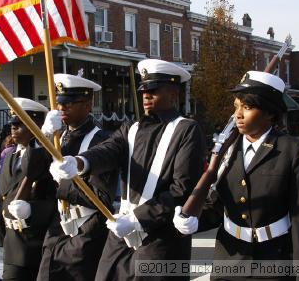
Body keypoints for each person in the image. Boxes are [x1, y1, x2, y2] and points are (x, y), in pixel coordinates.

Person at [49, 59, 206, 280]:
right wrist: (80, 162)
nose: (146, 97)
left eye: (153, 91)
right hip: (122, 233)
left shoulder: (187, 130)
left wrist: (137, 218)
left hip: (161, 238)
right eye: (144, 91)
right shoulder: (132, 128)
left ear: (173, 94)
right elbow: (108, 150)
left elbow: (182, 189)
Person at [174, 71, 299, 281]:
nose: (238, 115)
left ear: (270, 113)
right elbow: (220, 205)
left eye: (247, 107)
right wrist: (194, 220)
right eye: (236, 106)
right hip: (229, 259)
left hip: (275, 260)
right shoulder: (226, 150)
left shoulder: (292, 151)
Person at [36, 74, 119, 281]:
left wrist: (65, 184)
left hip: (86, 231)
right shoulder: (58, 137)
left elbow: (102, 198)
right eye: (59, 103)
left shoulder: (101, 142)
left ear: (88, 106)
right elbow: (31, 171)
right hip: (57, 229)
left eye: (70, 103)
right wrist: (43, 135)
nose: (62, 108)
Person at [0, 97, 57, 281]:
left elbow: (54, 201)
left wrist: (42, 137)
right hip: (12, 245)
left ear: (36, 125)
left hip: (35, 242)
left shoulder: (48, 157)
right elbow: (3, 197)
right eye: (12, 123)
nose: (13, 128)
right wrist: (1, 235)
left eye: (20, 123)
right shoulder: (9, 157)